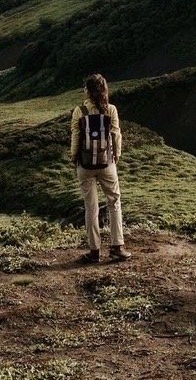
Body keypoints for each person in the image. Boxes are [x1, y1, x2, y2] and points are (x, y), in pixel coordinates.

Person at [71, 73, 132, 264]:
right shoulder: (111, 110)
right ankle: (116, 247)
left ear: (88, 91)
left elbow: (75, 137)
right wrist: (116, 156)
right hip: (107, 164)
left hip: (85, 165)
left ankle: (94, 251)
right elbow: (116, 135)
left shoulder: (79, 111)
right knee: (114, 202)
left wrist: (74, 158)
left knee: (91, 207)